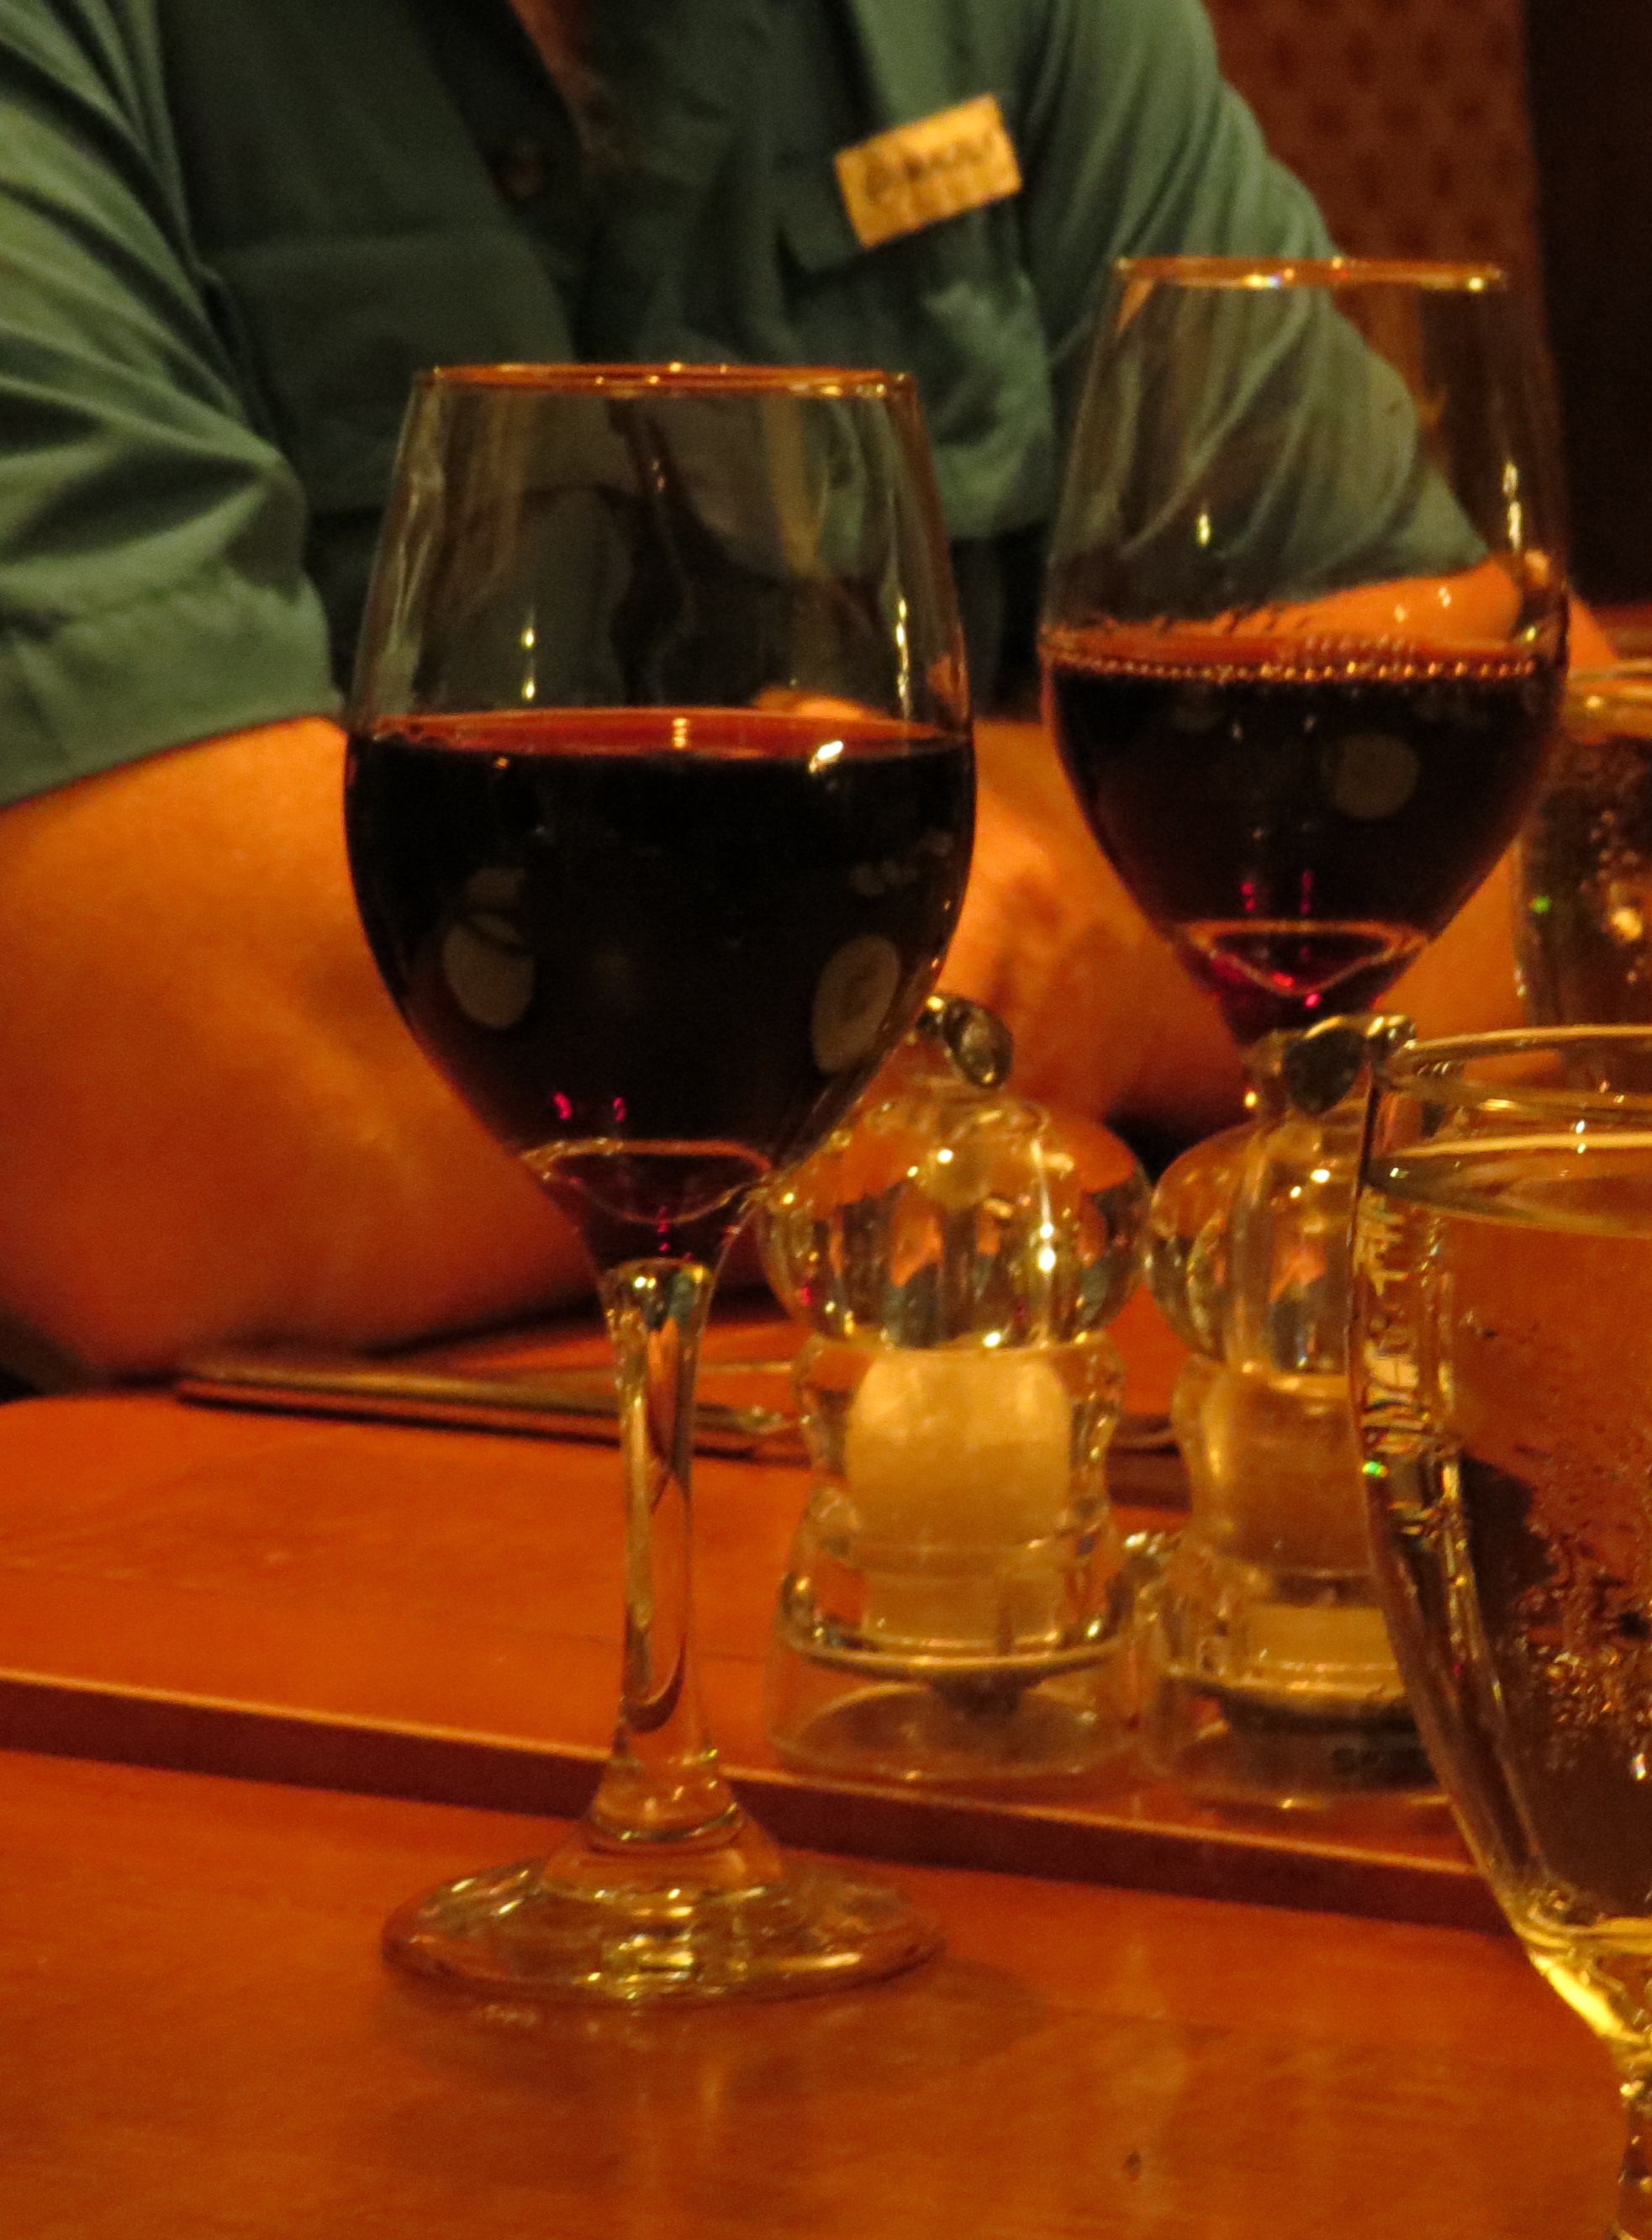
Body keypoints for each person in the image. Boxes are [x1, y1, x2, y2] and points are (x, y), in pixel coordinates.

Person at [0, 0, 1532, 1384]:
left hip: (917, 1446)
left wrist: (1069, 960)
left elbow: (1508, 860)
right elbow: (134, 1125)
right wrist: (1001, 924)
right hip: (209, 1538)